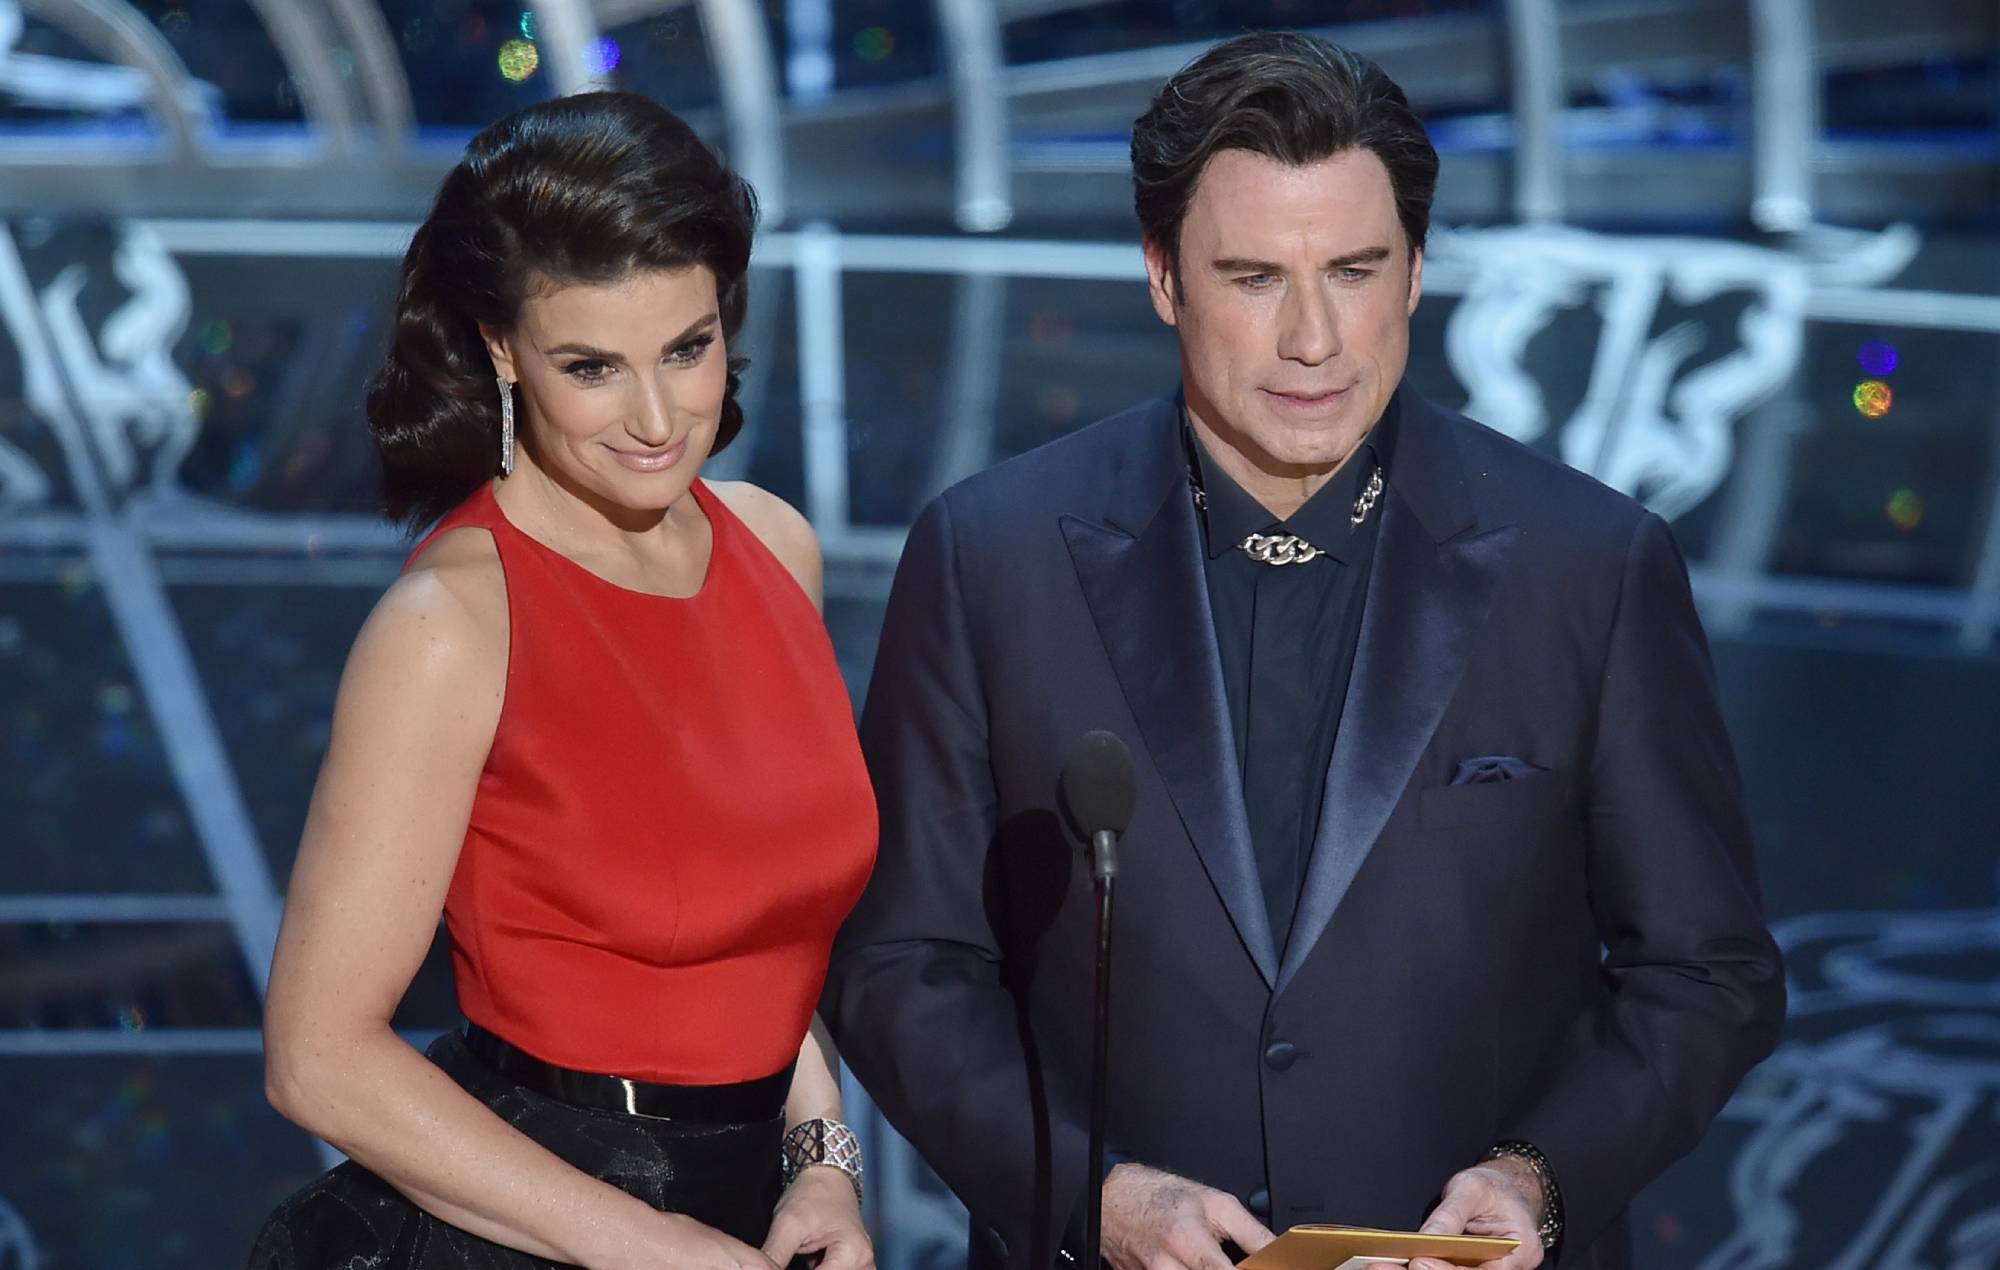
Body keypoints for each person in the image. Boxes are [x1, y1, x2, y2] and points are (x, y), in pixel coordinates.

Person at [822, 31, 1784, 1270]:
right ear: (1163, 277)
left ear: (1415, 271)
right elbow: (901, 962)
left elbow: (1706, 972)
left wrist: (1536, 1177)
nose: (1314, 339)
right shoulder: (988, 556)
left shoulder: (1588, 564)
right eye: (1254, 278)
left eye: (1352, 270)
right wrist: (1088, 1194)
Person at [249, 93, 876, 1270]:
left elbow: (767, 933)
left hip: (752, 1224)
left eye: (687, 348)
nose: (657, 418)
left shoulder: (774, 544)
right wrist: (652, 1246)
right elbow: (317, 1059)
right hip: (538, 1222)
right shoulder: (449, 626)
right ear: (502, 348)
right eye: (592, 367)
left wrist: (822, 1161)